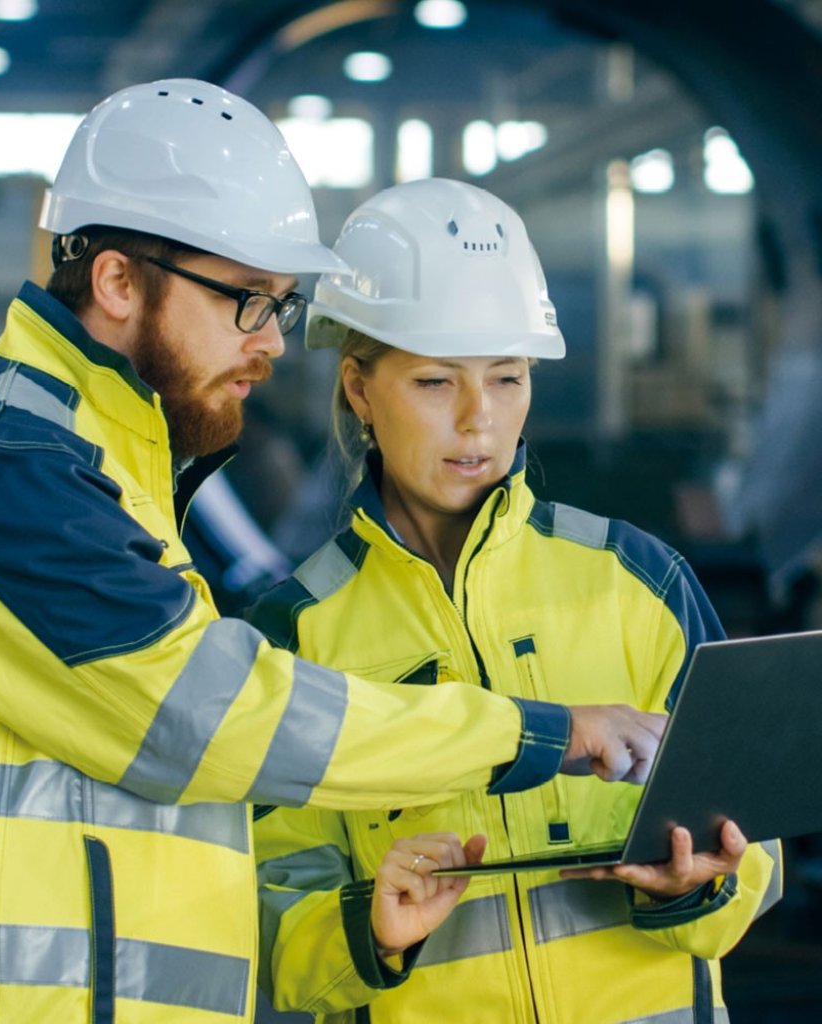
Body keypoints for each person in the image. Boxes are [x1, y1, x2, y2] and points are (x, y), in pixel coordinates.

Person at [0, 82, 664, 1024]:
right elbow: (207, 717)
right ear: (115, 282)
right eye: (247, 301)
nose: (272, 342)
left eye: (281, 304)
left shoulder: (110, 465)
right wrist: (531, 734)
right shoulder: (4, 465)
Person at [248, 178, 783, 1024]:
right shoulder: (291, 639)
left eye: (506, 378)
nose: (479, 422)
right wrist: (372, 933)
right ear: (358, 388)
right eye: (434, 383)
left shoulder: (639, 582)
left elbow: (758, 846)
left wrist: (695, 884)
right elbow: (268, 920)